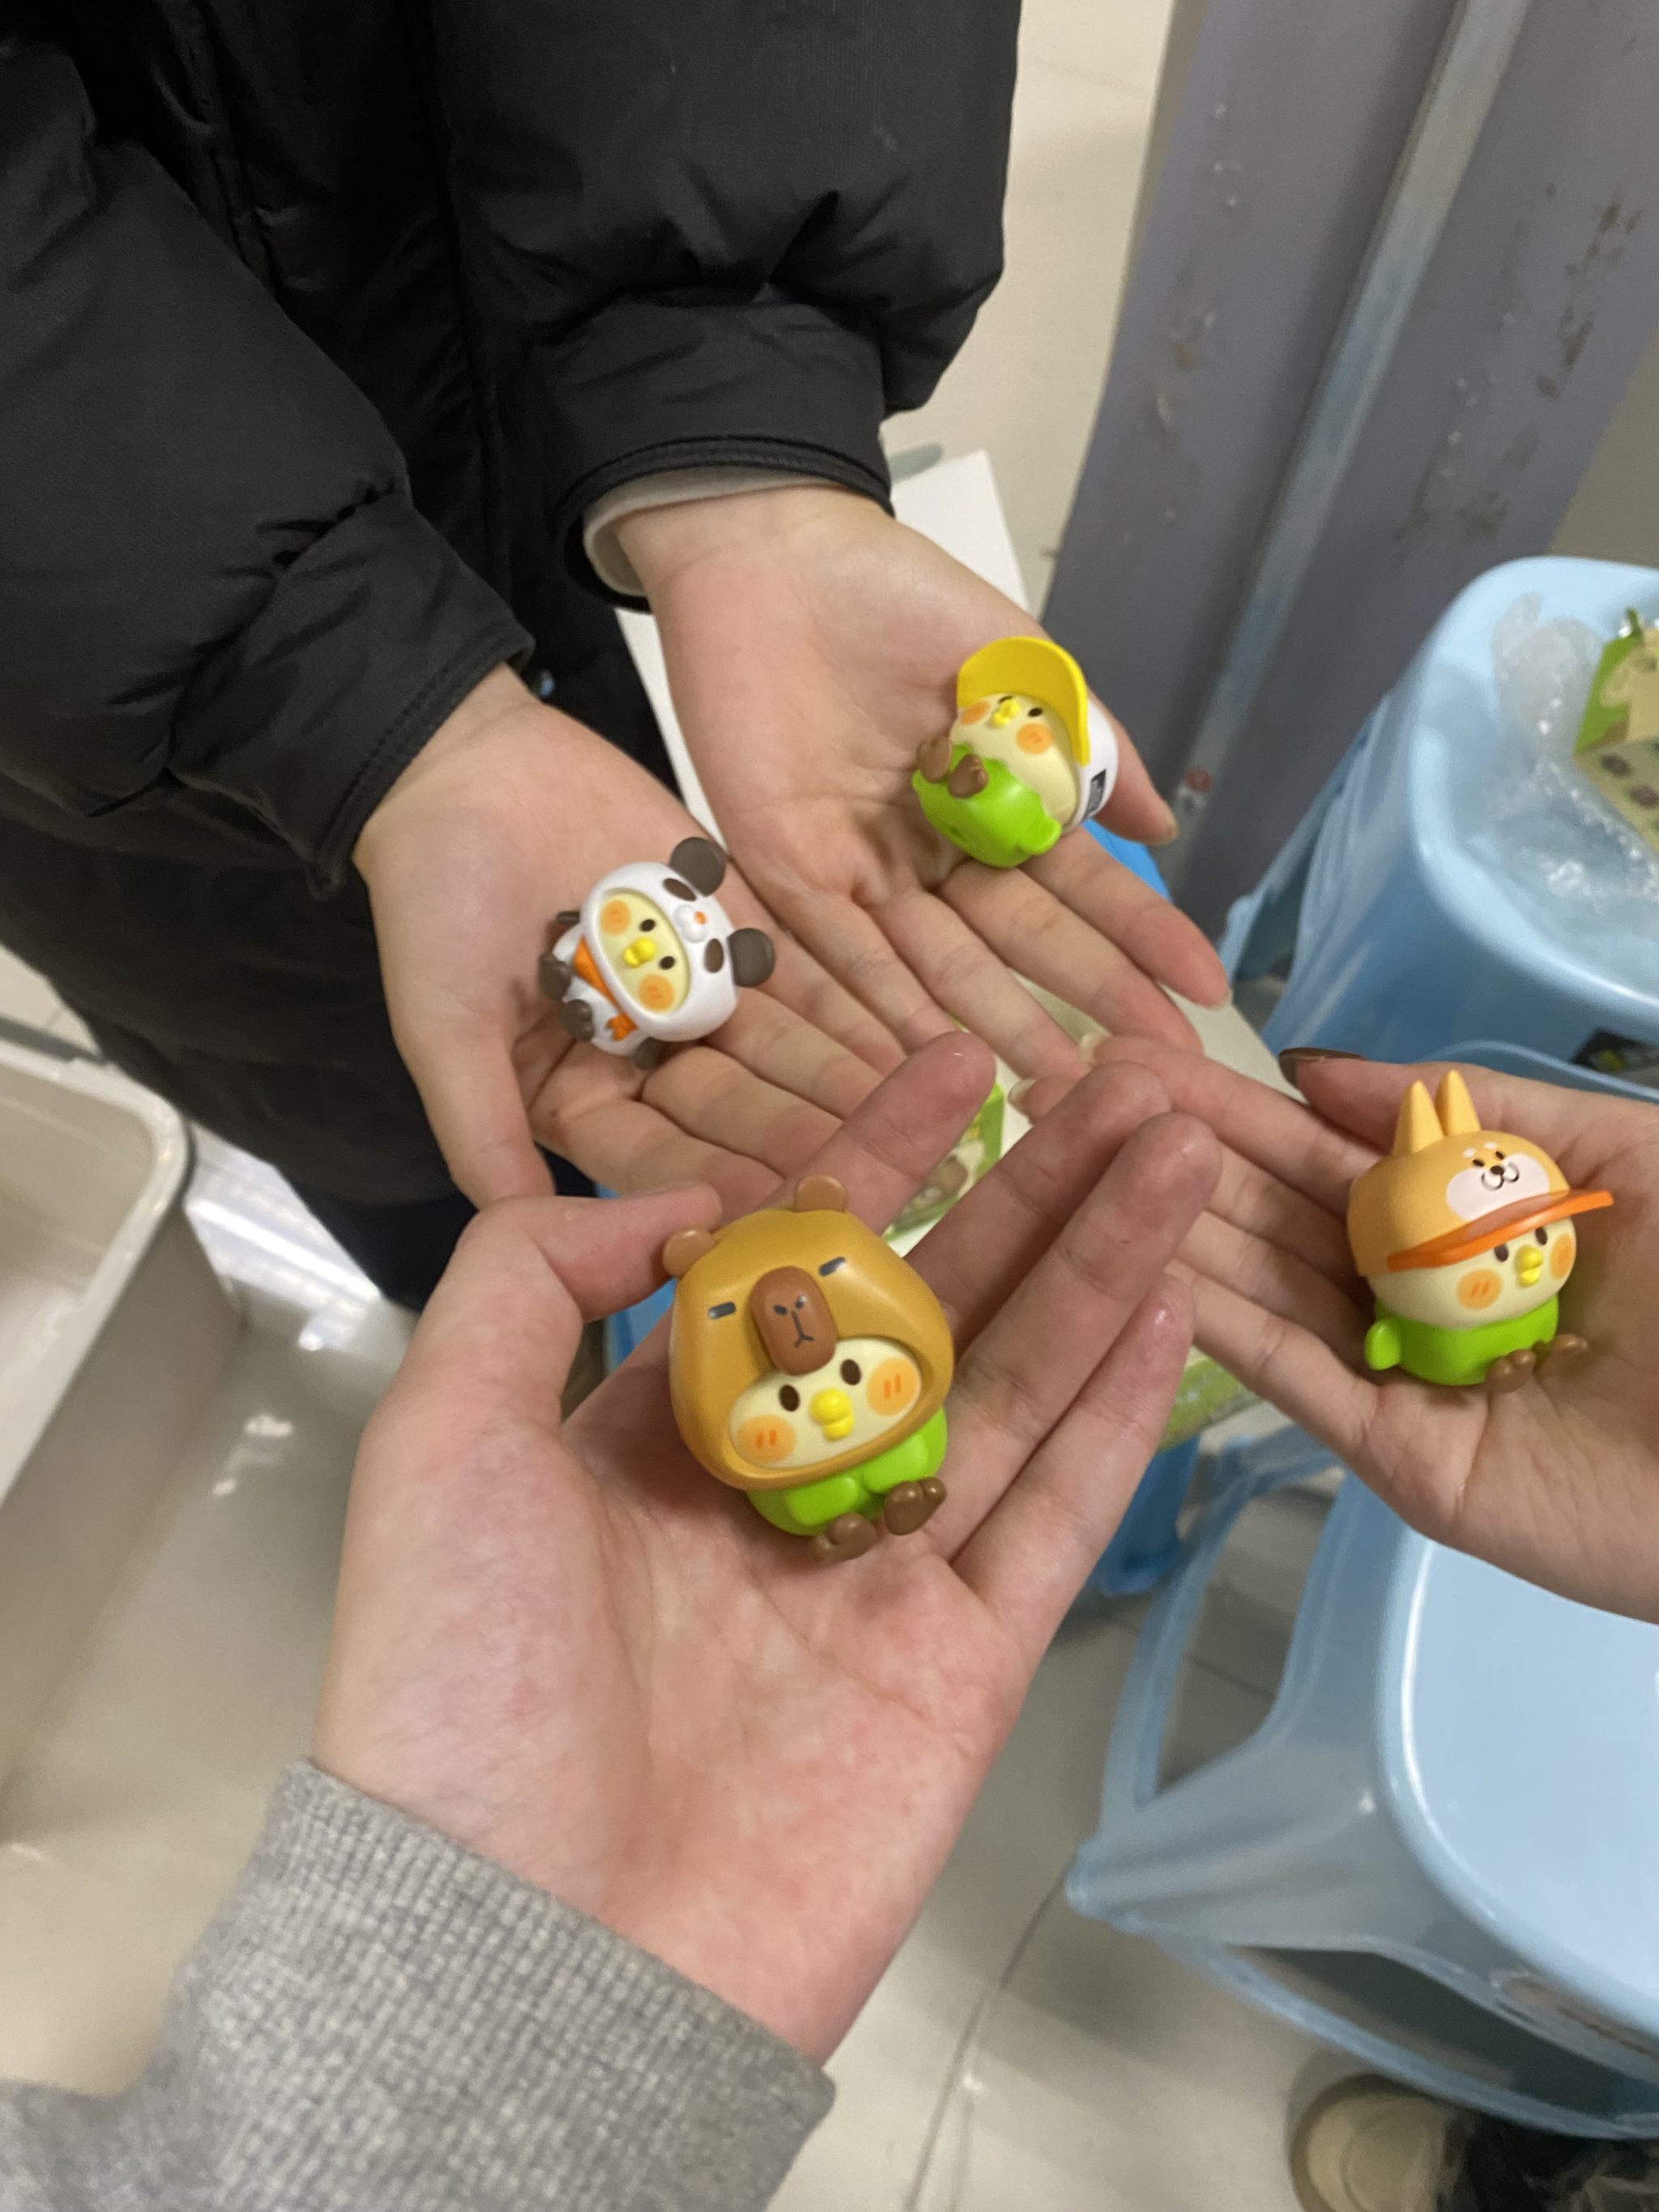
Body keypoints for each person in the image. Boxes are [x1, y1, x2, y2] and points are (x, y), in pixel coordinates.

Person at [0, 10, 1227, 1307]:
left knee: (710, 1114)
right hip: (156, 782)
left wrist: (731, 408)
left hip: (586, 518)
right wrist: (331, 685)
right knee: (433, 1185)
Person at [0, 1035, 1225, 2209]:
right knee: (823, 1475)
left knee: (891, 1446)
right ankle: (850, 1500)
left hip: (878, 1426)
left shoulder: (829, 1304)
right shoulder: (736, 1338)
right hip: (786, 1470)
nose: (810, 1356)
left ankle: (877, 1488)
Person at [1029, 1040, 1659, 2212]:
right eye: (1501, 1251)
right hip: (1428, 1343)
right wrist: (1402, 1333)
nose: (1528, 1260)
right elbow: (1396, 1320)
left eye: (1536, 1240)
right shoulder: (1407, 1288)